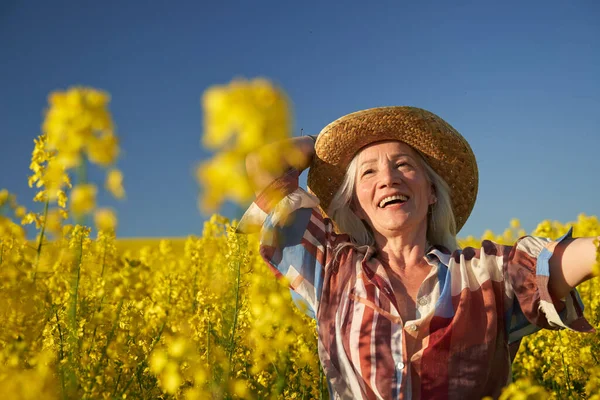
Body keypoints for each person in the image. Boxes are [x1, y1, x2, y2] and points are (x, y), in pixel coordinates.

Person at [238, 106, 596, 399]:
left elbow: (567, 259)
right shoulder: (329, 268)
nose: (388, 179)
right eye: (368, 172)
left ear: (433, 193)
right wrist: (325, 147)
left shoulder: (488, 273)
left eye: (404, 165)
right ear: (357, 206)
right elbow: (262, 167)